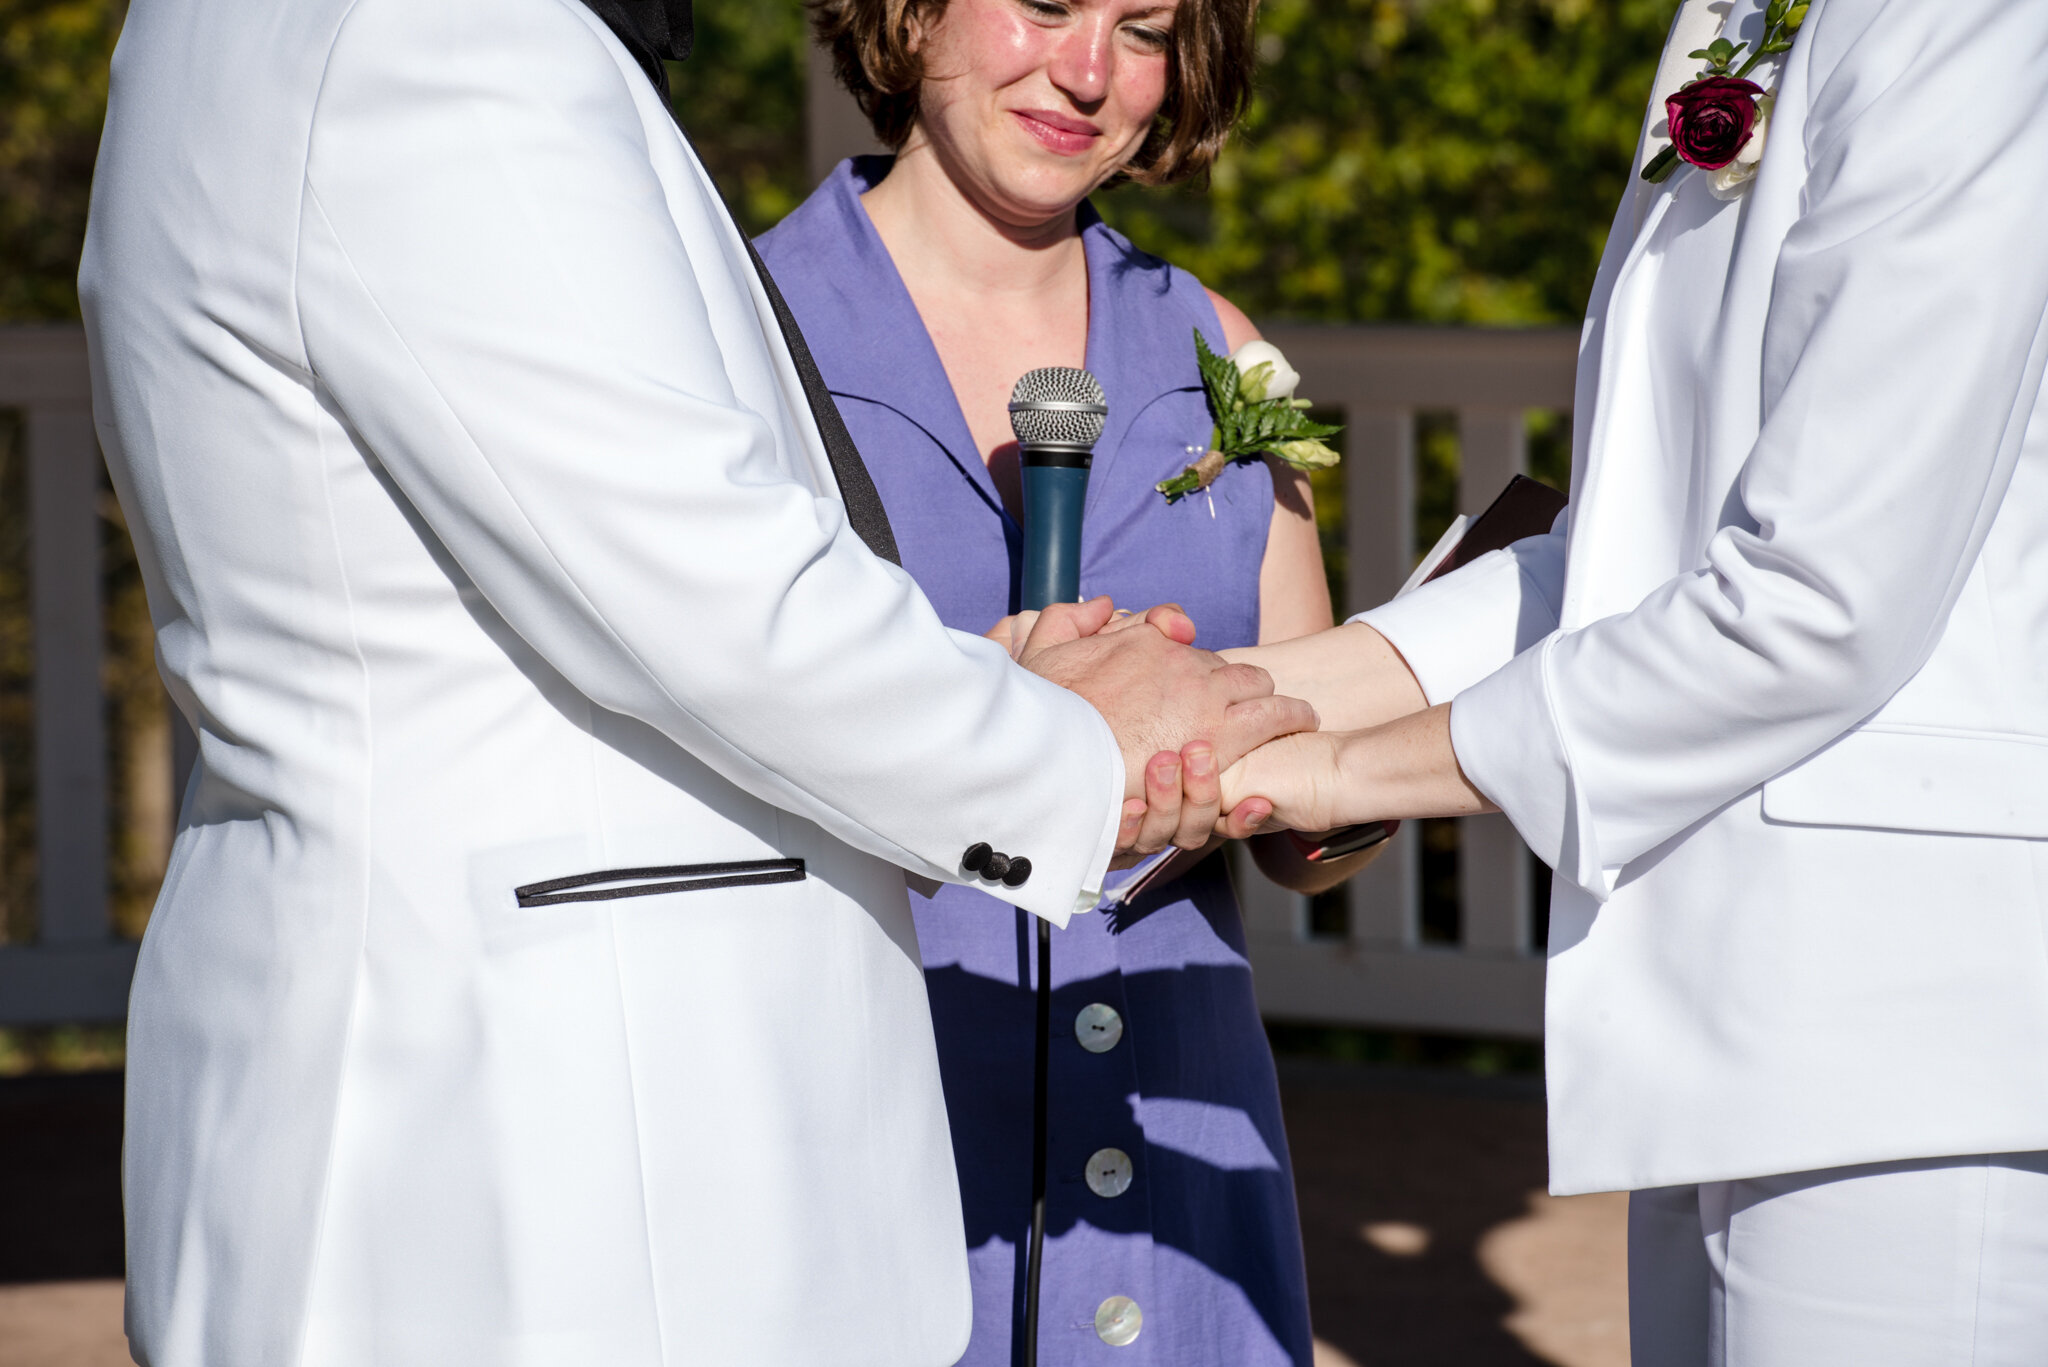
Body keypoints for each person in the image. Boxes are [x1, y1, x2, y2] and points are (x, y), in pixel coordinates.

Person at [77, 0, 1316, 1363]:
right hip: (526, 1155)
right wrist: (1063, 744)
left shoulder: (227, 34)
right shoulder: (432, 39)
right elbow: (707, 593)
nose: (1088, 68)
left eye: (1140, 25)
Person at [1216, 0, 2048, 1360]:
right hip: (1728, 998)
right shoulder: (1735, 15)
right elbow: (1636, 550)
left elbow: (1818, 598)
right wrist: (1267, 690)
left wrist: (1328, 771)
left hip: (1908, 1037)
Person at [756, 0, 1365, 1360]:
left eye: (1143, 28)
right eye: (1044, 3)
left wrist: (1376, 757)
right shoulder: (740, 342)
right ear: (906, 14)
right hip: (877, 1155)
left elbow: (1313, 846)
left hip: (1179, 1162)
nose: (1089, 72)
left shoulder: (1226, 354)